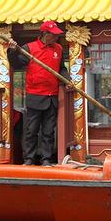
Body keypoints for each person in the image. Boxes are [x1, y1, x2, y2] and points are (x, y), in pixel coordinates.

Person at [7, 20, 68, 166]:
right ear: (45, 34)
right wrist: (12, 52)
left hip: (51, 96)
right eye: (53, 35)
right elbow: (16, 64)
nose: (56, 38)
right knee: (31, 131)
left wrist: (67, 79)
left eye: (56, 35)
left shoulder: (58, 48)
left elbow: (62, 68)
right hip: (35, 96)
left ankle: (46, 159)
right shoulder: (28, 48)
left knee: (48, 131)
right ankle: (29, 159)